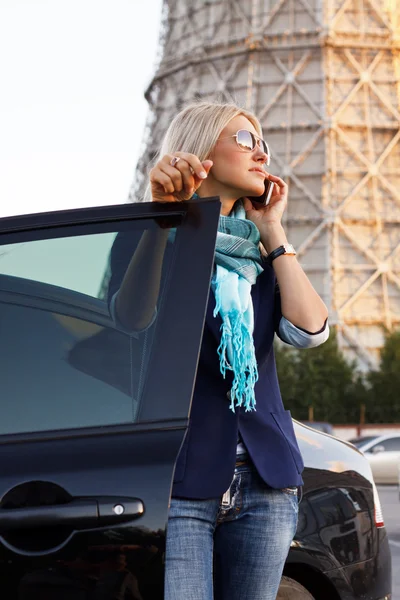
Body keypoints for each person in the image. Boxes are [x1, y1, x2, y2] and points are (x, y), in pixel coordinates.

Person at [109, 102, 329, 600]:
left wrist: (273, 231)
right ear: (202, 148)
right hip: (182, 477)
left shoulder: (259, 254)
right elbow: (131, 318)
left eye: (263, 144)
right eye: (246, 141)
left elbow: (309, 331)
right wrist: (163, 220)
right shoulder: (151, 234)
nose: (261, 153)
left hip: (265, 478)